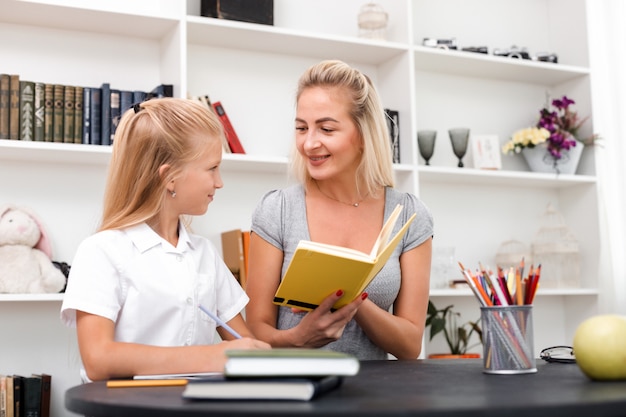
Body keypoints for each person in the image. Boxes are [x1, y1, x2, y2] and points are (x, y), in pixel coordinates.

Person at [60, 98, 270, 382]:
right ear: (170, 177)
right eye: (212, 168)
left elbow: (244, 344)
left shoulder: (204, 253)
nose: (219, 182)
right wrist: (213, 357)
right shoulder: (101, 251)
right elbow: (98, 360)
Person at [245, 60, 434, 360]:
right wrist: (298, 339)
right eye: (301, 128)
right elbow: (256, 329)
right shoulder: (277, 210)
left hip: (374, 398)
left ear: (363, 134)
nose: (309, 143)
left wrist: (350, 298)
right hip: (297, 392)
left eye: (326, 128)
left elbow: (410, 345)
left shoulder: (409, 215)